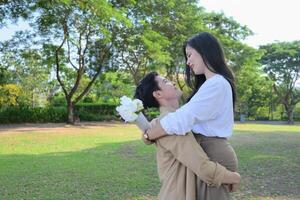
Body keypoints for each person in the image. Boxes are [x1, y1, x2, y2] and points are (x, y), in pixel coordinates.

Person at [145, 32, 239, 200]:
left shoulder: (217, 83)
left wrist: (149, 134)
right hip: (208, 153)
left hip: (212, 154)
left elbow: (181, 120)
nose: (188, 62)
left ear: (204, 51)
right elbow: (181, 117)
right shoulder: (211, 84)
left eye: (189, 55)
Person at [134, 71, 240, 200]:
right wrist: (233, 177)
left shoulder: (175, 121)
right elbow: (202, 166)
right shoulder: (171, 124)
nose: (172, 82)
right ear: (158, 94)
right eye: (166, 81)